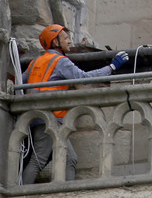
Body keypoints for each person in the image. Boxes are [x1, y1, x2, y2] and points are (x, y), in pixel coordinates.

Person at [20, 24, 129, 184]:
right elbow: (83, 78)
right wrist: (111, 67)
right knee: (39, 160)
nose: (70, 42)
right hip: (50, 119)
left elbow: (21, 81)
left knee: (70, 159)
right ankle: (20, 193)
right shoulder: (60, 61)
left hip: (38, 117)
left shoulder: (35, 62)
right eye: (65, 38)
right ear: (56, 42)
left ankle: (67, 192)